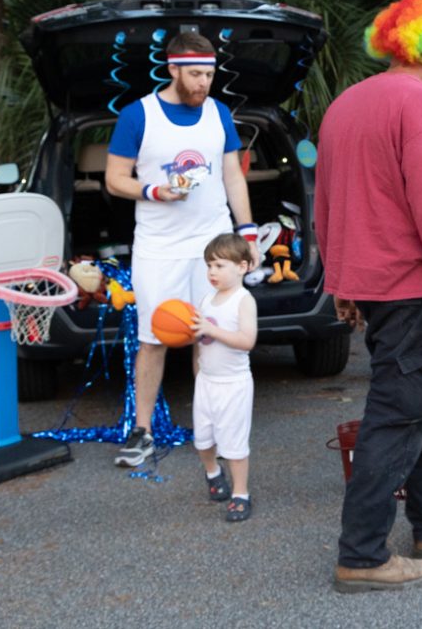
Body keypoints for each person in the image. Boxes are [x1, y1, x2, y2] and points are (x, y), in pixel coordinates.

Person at [314, 0, 422, 593]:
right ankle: (361, 556)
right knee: (399, 410)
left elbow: (326, 201)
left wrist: (340, 279)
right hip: (410, 282)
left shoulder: (345, 103)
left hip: (374, 281)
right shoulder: (419, 102)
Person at [106, 32, 260, 468]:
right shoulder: (139, 115)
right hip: (159, 246)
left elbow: (232, 175)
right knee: (153, 339)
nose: (203, 83)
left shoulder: (219, 112)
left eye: (209, 74)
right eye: (195, 74)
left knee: (207, 335)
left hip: (212, 243)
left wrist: (246, 232)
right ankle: (142, 431)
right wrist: (155, 190)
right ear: (171, 69)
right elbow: (115, 178)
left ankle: (208, 428)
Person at [188, 233, 257, 521]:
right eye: (209, 266)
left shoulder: (244, 300)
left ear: (242, 267)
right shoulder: (206, 299)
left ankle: (241, 493)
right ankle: (213, 474)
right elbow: (199, 342)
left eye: (219, 266)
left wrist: (211, 330)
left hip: (233, 384)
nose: (212, 272)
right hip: (207, 382)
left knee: (234, 444)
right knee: (203, 440)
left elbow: (247, 340)